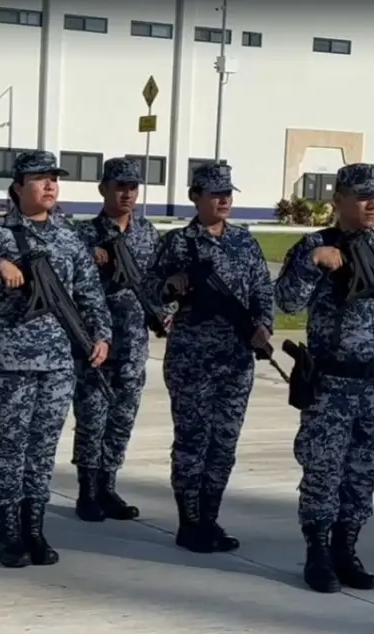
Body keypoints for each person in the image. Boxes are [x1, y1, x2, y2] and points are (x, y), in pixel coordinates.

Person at [273, 163, 374, 594]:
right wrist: (313, 264)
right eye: (363, 197)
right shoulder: (315, 246)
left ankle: (346, 549)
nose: (372, 204)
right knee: (323, 470)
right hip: (332, 386)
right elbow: (285, 302)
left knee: (364, 470)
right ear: (338, 200)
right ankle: (318, 553)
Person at [0, 150, 111, 568]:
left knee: (42, 448)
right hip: (8, 359)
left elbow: (89, 294)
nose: (50, 185)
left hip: (57, 362)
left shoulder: (68, 237)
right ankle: (8, 532)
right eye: (40, 178)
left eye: (53, 178)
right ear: (18, 187)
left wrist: (101, 336)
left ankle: (34, 528)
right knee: (10, 446)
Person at [142, 161, 273, 554]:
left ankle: (210, 518)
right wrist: (170, 285)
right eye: (215, 194)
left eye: (227, 193)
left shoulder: (245, 242)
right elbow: (148, 289)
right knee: (192, 441)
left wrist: (264, 326)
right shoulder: (178, 244)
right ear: (195, 197)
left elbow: (262, 291)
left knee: (224, 442)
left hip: (236, 360)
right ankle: (189, 522)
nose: (224, 200)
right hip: (192, 359)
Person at [70, 157, 163, 522]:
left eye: (133, 188)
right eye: (119, 187)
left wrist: (166, 309)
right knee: (92, 418)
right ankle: (87, 491)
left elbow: (158, 281)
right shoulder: (83, 235)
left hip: (134, 343)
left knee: (122, 419)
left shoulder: (148, 233)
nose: (127, 194)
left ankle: (108, 485)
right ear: (103, 189)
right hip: (96, 343)